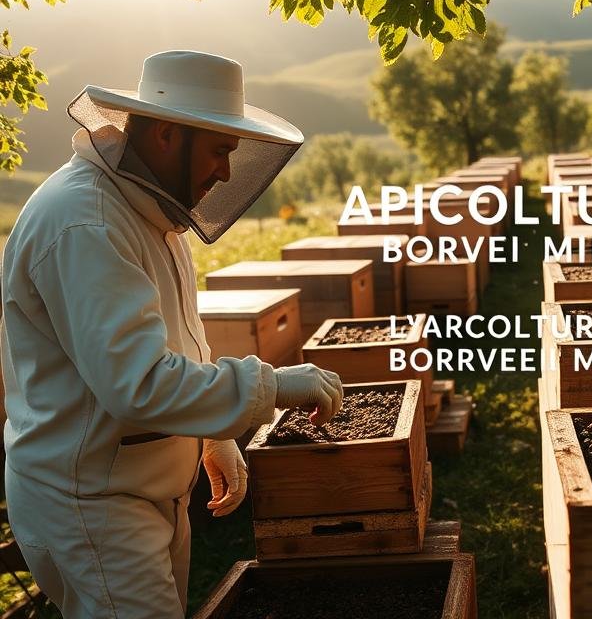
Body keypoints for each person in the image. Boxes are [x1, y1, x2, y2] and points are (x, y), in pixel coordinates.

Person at [0, 51, 344, 618]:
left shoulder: (148, 208)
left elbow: (174, 342)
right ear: (166, 135)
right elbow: (138, 384)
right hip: (91, 504)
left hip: (137, 488)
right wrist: (273, 385)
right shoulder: (86, 222)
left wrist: (211, 433)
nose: (226, 173)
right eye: (219, 151)